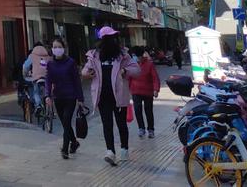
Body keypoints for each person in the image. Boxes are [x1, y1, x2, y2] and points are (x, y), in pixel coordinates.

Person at [81, 26, 140, 166]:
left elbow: (137, 70)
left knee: (121, 124)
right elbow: (85, 70)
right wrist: (87, 73)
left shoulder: (123, 55)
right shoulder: (94, 55)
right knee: (107, 124)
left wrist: (125, 70)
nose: (111, 41)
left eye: (113, 38)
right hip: (102, 96)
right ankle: (110, 152)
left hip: (119, 96)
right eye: (108, 38)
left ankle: (124, 149)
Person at [44, 36, 85, 159]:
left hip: (70, 97)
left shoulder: (71, 63)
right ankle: (74, 142)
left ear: (64, 48)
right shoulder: (50, 64)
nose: (57, 49)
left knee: (67, 120)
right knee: (65, 123)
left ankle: (65, 148)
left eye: (59, 47)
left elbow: (76, 81)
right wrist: (47, 95)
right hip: (58, 97)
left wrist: (80, 99)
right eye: (55, 47)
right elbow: (48, 80)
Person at [128, 46, 160, 138]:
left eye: (134, 55)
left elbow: (155, 78)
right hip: (135, 91)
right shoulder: (132, 65)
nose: (133, 57)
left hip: (148, 92)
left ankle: (151, 129)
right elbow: (129, 77)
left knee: (148, 111)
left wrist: (156, 89)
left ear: (140, 55)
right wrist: (128, 89)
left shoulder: (149, 64)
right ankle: (141, 128)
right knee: (137, 110)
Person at [22, 41, 50, 114]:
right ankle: (50, 109)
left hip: (36, 77)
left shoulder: (32, 56)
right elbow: (46, 66)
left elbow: (26, 66)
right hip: (46, 77)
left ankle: (38, 105)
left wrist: (25, 75)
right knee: (48, 91)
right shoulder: (47, 56)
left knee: (36, 92)